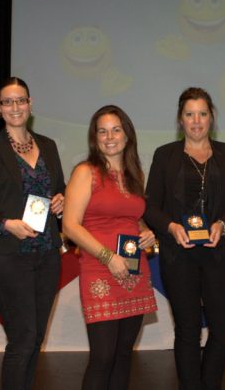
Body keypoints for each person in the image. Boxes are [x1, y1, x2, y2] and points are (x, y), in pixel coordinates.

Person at [0, 77, 66, 390]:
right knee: (22, 339)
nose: (15, 107)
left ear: (30, 103)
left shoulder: (47, 145)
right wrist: (6, 223)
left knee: (34, 338)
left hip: (47, 254)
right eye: (8, 101)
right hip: (5, 255)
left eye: (21, 100)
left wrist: (62, 199)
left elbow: (58, 189)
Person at [143, 87, 225, 390]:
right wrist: (171, 227)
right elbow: (149, 205)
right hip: (178, 255)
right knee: (188, 331)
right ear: (180, 120)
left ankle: (209, 383)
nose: (196, 121)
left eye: (202, 114)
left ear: (211, 117)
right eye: (189, 114)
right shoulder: (165, 155)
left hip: (217, 254)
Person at [62, 105, 159, 390]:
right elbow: (70, 225)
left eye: (116, 129)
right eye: (102, 131)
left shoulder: (133, 174)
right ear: (95, 138)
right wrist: (108, 257)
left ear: (127, 135)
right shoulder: (85, 172)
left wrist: (147, 233)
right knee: (103, 356)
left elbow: (132, 216)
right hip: (99, 268)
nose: (109, 136)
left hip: (133, 269)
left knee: (123, 355)